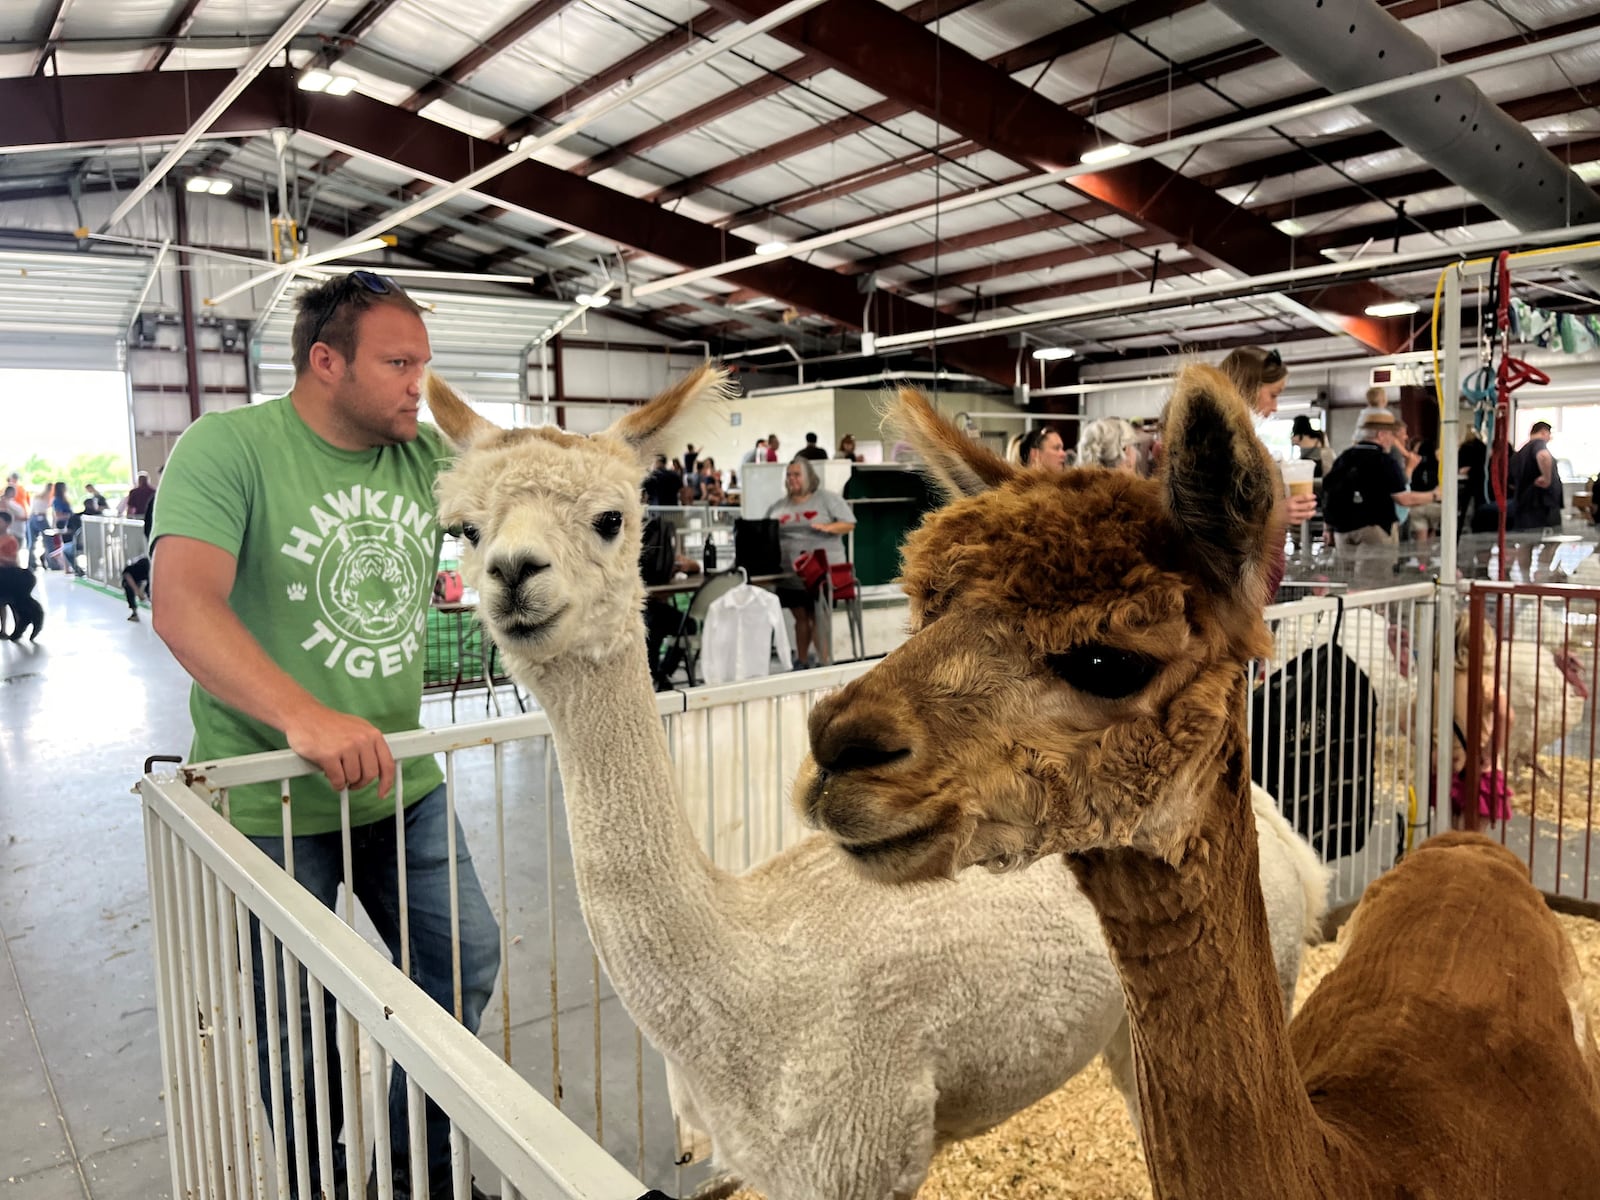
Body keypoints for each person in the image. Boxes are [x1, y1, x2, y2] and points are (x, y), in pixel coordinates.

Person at [150, 270, 500, 1200]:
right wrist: (302, 714)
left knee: (461, 964)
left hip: (400, 784)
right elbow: (182, 604)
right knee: (292, 1025)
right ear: (325, 361)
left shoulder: (425, 459)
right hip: (268, 799)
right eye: (397, 363)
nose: (415, 385)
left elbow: (523, 491)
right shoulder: (228, 449)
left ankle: (416, 1173)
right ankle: (321, 1188)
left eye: (421, 364)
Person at [1320, 409, 1441, 587]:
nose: (1393, 441)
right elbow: (1404, 499)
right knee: (1371, 587)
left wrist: (1328, 528)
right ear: (1381, 434)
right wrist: (1435, 495)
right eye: (1391, 435)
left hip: (1342, 531)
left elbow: (1328, 494)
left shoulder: (1344, 458)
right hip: (1374, 530)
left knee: (1348, 586)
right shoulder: (1384, 461)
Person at [766, 457, 855, 668]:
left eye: (796, 475)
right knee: (801, 618)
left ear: (808, 478)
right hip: (790, 575)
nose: (791, 479)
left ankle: (824, 663)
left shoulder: (827, 499)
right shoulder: (779, 506)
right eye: (789, 475)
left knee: (819, 618)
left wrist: (827, 528)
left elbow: (849, 523)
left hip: (821, 573)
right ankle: (802, 661)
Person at [0, 541, 42, 641]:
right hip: (16, 576)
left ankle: (34, 618)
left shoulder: (9, 539)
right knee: (18, 602)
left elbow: (13, 560)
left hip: (13, 577)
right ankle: (25, 622)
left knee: (19, 601)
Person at [1076, 417, 1140, 472]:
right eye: (1131, 445)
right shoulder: (1133, 485)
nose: (1135, 452)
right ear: (1125, 450)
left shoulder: (1072, 484)